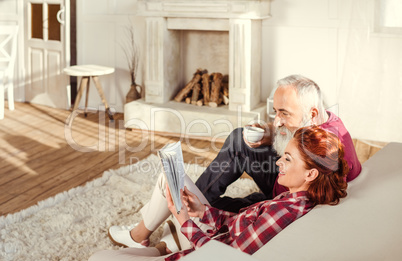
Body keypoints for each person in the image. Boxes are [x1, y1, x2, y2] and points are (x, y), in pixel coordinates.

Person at [108, 74, 361, 247]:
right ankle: (188, 208)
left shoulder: (326, 153)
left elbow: (292, 201)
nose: (277, 120)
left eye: (284, 113)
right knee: (240, 139)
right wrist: (272, 135)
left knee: (219, 192)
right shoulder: (323, 125)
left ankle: (151, 229)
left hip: (284, 194)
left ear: (312, 113)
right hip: (288, 185)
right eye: (276, 112)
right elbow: (297, 152)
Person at [86, 126, 349, 261]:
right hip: (211, 239)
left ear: (311, 173)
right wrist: (204, 211)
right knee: (170, 175)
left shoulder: (285, 211)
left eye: (288, 158)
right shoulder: (296, 198)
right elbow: (240, 226)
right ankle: (155, 244)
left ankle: (160, 248)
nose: (278, 161)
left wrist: (184, 221)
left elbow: (226, 259)